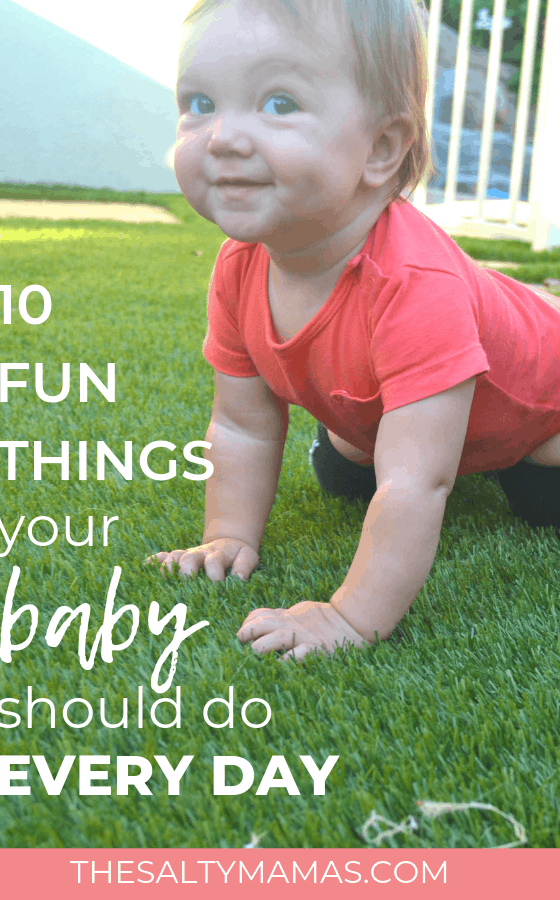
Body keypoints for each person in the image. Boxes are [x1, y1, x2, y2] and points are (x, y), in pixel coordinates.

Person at [149, 0, 560, 660]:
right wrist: (227, 534)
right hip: (410, 413)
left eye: (279, 102)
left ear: (382, 147)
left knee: (542, 495)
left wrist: (346, 617)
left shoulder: (414, 284)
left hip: (541, 408)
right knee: (346, 474)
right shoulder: (240, 265)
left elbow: (417, 484)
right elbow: (241, 424)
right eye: (199, 101)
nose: (222, 136)